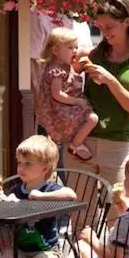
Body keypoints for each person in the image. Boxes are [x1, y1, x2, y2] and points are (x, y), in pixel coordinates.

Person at [65, 0, 129, 186]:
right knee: (82, 216)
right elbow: (65, 83)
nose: (104, 33)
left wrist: (110, 80)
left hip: (117, 145)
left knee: (117, 210)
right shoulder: (93, 54)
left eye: (109, 27)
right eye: (100, 27)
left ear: (126, 22)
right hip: (81, 143)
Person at [38, 28, 99, 161]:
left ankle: (75, 142)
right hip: (61, 112)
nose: (76, 51)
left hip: (64, 111)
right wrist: (77, 101)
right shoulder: (56, 71)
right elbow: (57, 94)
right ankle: (76, 145)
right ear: (55, 51)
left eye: (76, 47)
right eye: (70, 48)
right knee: (92, 119)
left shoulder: (64, 67)